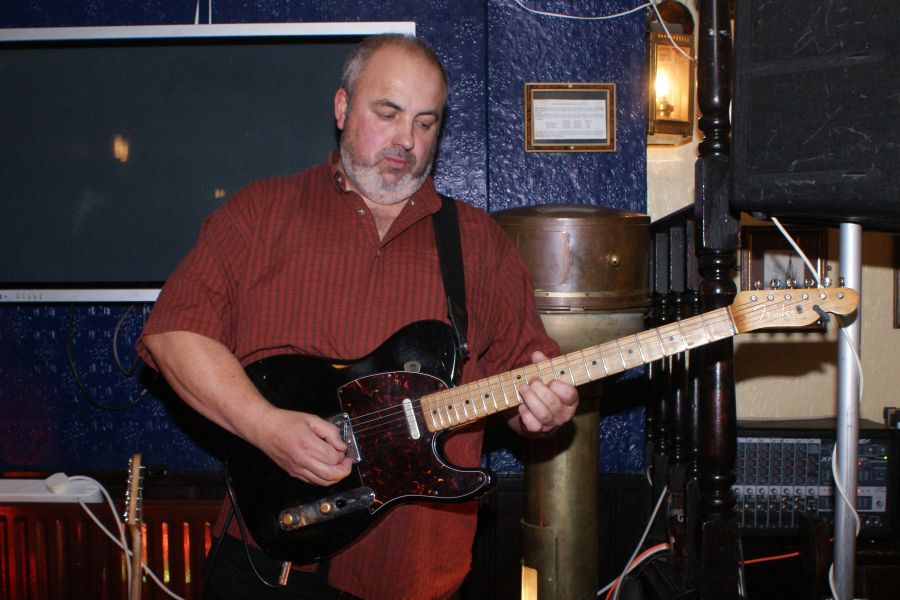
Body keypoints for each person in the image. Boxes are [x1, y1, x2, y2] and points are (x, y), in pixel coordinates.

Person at [137, 34, 579, 600]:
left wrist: (543, 411)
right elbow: (175, 333)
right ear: (342, 107)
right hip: (267, 567)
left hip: (414, 580)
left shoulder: (481, 245)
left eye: (426, 122)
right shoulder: (260, 212)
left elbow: (525, 384)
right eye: (388, 113)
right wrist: (266, 427)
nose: (407, 140)